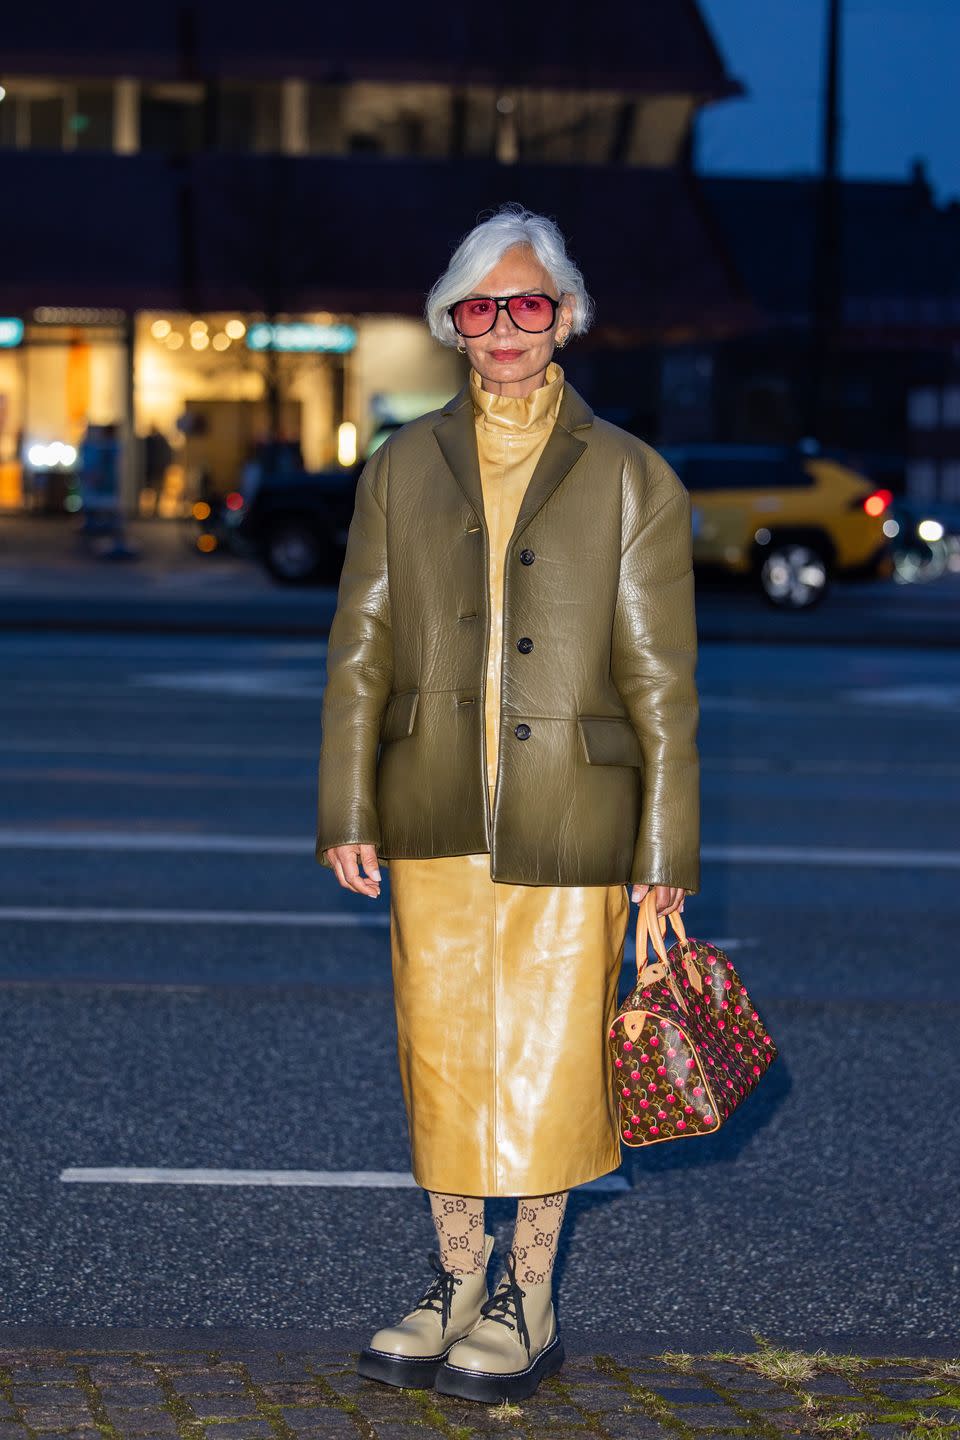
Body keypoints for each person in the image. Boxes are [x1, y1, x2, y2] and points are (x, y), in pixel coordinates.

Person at [316, 203, 700, 1404]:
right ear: (453, 324)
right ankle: (452, 1280)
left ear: (567, 316)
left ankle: (525, 1294)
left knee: (544, 1061)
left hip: (571, 817)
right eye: (480, 308)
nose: (504, 328)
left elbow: (661, 682)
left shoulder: (633, 476)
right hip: (429, 804)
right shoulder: (400, 467)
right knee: (443, 1055)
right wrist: (346, 804)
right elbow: (360, 646)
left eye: (527, 303)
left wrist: (663, 850)